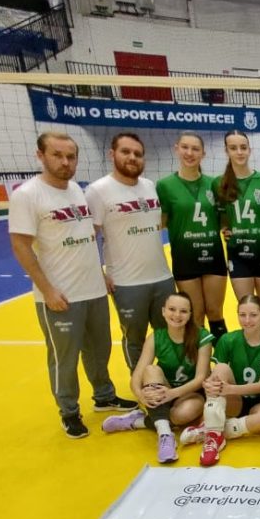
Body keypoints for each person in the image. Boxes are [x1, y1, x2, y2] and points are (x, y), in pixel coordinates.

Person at [8, 132, 136, 438]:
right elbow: (21, 245)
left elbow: (86, 238)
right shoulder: (27, 195)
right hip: (61, 295)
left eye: (70, 156)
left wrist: (100, 273)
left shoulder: (77, 191)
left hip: (94, 289)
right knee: (64, 358)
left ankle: (104, 396)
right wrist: (47, 290)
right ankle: (68, 411)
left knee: (99, 350)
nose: (65, 162)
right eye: (57, 155)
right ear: (40, 155)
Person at [85, 132, 175, 372]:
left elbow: (160, 223)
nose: (132, 157)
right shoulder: (98, 191)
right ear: (112, 154)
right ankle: (142, 384)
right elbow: (88, 238)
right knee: (135, 338)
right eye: (126, 152)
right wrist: (99, 273)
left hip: (162, 276)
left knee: (170, 333)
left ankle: (169, 379)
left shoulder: (149, 186)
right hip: (126, 282)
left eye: (138, 153)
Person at [102, 291, 212, 463]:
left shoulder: (202, 336)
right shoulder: (155, 337)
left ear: (190, 314)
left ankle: (138, 421)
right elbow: (137, 378)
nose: (177, 315)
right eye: (172, 309)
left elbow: (200, 378)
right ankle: (165, 436)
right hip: (163, 391)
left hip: (190, 392)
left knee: (184, 415)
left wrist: (172, 394)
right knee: (151, 370)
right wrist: (141, 396)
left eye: (183, 311)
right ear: (163, 311)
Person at [178, 294, 260, 465]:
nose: (247, 320)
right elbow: (216, 376)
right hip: (234, 401)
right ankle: (213, 440)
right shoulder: (228, 340)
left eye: (253, 315)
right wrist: (210, 384)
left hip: (259, 400)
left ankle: (211, 431)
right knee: (221, 368)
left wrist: (229, 389)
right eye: (242, 315)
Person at [156, 132, 228, 339]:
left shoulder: (214, 184)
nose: (190, 153)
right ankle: (198, 357)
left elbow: (223, 219)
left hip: (213, 255)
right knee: (195, 314)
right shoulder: (165, 185)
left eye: (195, 149)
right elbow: (161, 223)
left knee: (215, 312)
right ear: (176, 149)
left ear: (203, 154)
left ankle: (222, 356)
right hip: (185, 257)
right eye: (185, 147)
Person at [216, 130, 260, 331]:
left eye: (243, 147)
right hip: (238, 253)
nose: (239, 152)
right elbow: (222, 216)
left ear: (249, 150)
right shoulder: (219, 183)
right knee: (247, 313)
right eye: (233, 148)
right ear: (226, 151)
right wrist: (225, 228)